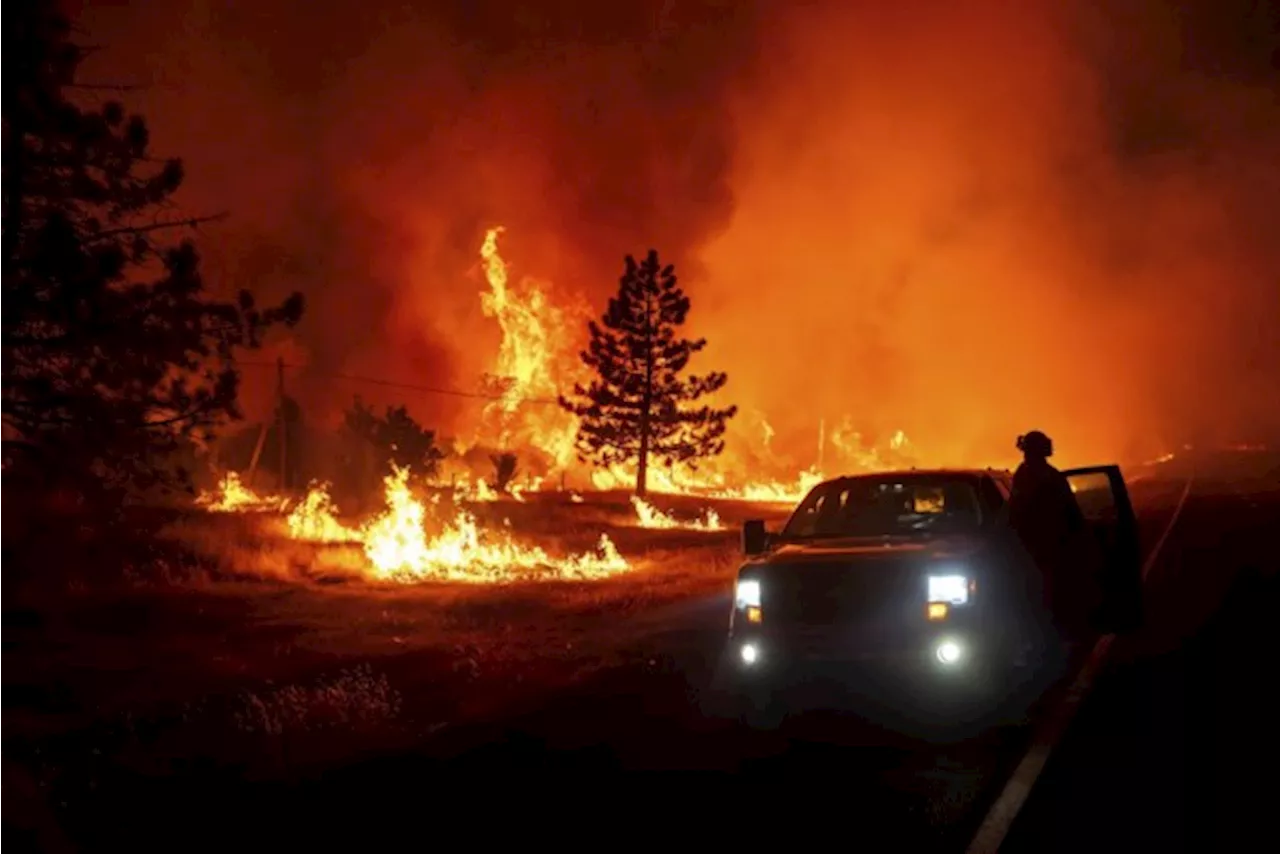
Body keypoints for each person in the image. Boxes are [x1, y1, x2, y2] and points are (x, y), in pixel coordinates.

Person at [1007, 430, 1088, 644]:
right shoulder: (1046, 475)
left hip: (1033, 545)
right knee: (1050, 592)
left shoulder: (1023, 474)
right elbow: (1069, 509)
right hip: (1047, 544)